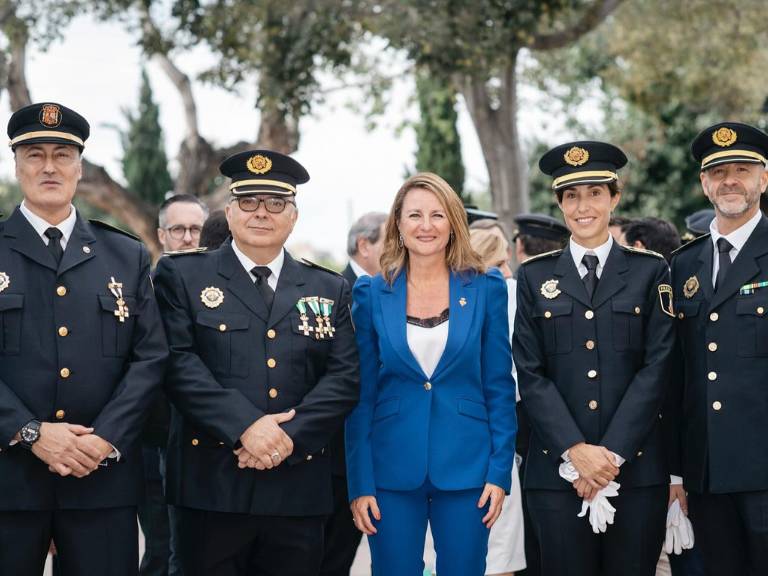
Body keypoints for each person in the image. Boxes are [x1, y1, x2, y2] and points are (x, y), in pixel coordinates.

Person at [154, 149, 359, 576]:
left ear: (293, 216)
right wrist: (246, 428)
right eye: (248, 202)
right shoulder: (182, 276)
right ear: (229, 213)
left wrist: (288, 438)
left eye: (275, 203)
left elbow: (343, 377)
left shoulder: (329, 286)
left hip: (297, 487)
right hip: (211, 486)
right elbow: (178, 364)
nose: (261, 213)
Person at [0, 102, 167, 575]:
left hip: (101, 481)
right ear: (16, 165)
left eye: (62, 154)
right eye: (35, 154)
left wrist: (105, 439)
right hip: (8, 480)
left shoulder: (124, 254)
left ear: (80, 166)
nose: (49, 166)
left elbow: (150, 358)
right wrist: (30, 433)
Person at [513, 141, 675, 576]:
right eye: (571, 196)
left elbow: (657, 368)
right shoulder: (534, 275)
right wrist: (575, 452)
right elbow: (530, 373)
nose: (583, 206)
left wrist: (610, 457)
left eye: (595, 193)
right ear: (560, 203)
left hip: (635, 472)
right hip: (556, 474)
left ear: (614, 198)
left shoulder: (650, 271)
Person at [345, 172, 517, 576]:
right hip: (390, 470)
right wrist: (361, 483)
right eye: (415, 215)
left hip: (468, 468)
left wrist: (499, 472)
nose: (426, 225)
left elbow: (499, 387)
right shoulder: (371, 293)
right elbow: (361, 396)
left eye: (438, 215)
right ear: (399, 225)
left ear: (453, 223)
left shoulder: (486, 287)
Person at [671, 122, 768, 575]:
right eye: (719, 171)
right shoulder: (682, 264)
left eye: (743, 169)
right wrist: (676, 471)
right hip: (706, 471)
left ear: (763, 179)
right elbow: (677, 374)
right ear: (704, 185)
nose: (731, 180)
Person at [139, 193, 209, 576]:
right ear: (161, 235)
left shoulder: (219, 291)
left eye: (195, 229)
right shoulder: (140, 288)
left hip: (207, 443)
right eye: (178, 229)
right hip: (155, 439)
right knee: (163, 548)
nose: (187, 238)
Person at [320, 211, 387, 576]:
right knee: (325, 557)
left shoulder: (398, 291)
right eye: (390, 240)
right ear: (364, 245)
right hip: (334, 457)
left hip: (381, 454)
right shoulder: (331, 291)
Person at [507, 213, 570, 576]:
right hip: (551, 424)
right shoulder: (533, 285)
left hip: (529, 423)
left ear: (519, 247)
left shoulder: (517, 288)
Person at [469, 225, 526, 576]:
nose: (507, 272)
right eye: (500, 262)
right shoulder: (507, 295)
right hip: (490, 445)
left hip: (493, 446)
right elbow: (513, 383)